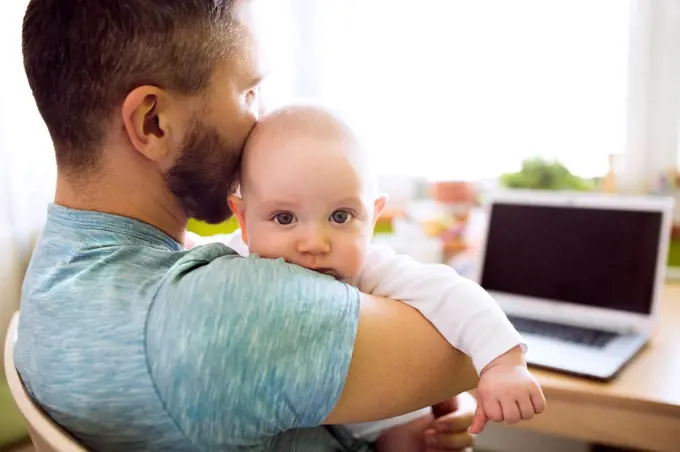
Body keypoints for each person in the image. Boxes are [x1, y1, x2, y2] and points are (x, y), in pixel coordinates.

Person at [15, 1, 482, 451]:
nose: (261, 120)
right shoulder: (214, 313)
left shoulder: (56, 275)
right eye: (248, 92)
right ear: (153, 122)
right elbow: (471, 345)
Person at [223, 105, 545, 441]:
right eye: (284, 218)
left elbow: (454, 293)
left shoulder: (374, 269)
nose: (315, 244)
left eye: (340, 216)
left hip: (376, 415)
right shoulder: (229, 261)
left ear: (373, 217)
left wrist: (504, 364)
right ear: (243, 220)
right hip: (292, 416)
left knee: (422, 435)